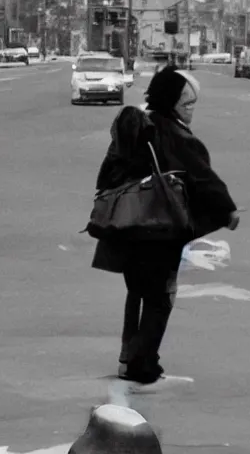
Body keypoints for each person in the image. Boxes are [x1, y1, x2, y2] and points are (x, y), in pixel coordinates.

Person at [92, 67, 240, 385]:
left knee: (137, 294)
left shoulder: (135, 127)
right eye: (186, 105)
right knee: (160, 297)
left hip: (126, 226)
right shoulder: (172, 134)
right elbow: (202, 178)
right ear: (171, 103)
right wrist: (227, 210)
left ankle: (129, 358)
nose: (191, 111)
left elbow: (105, 176)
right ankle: (142, 365)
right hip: (158, 229)